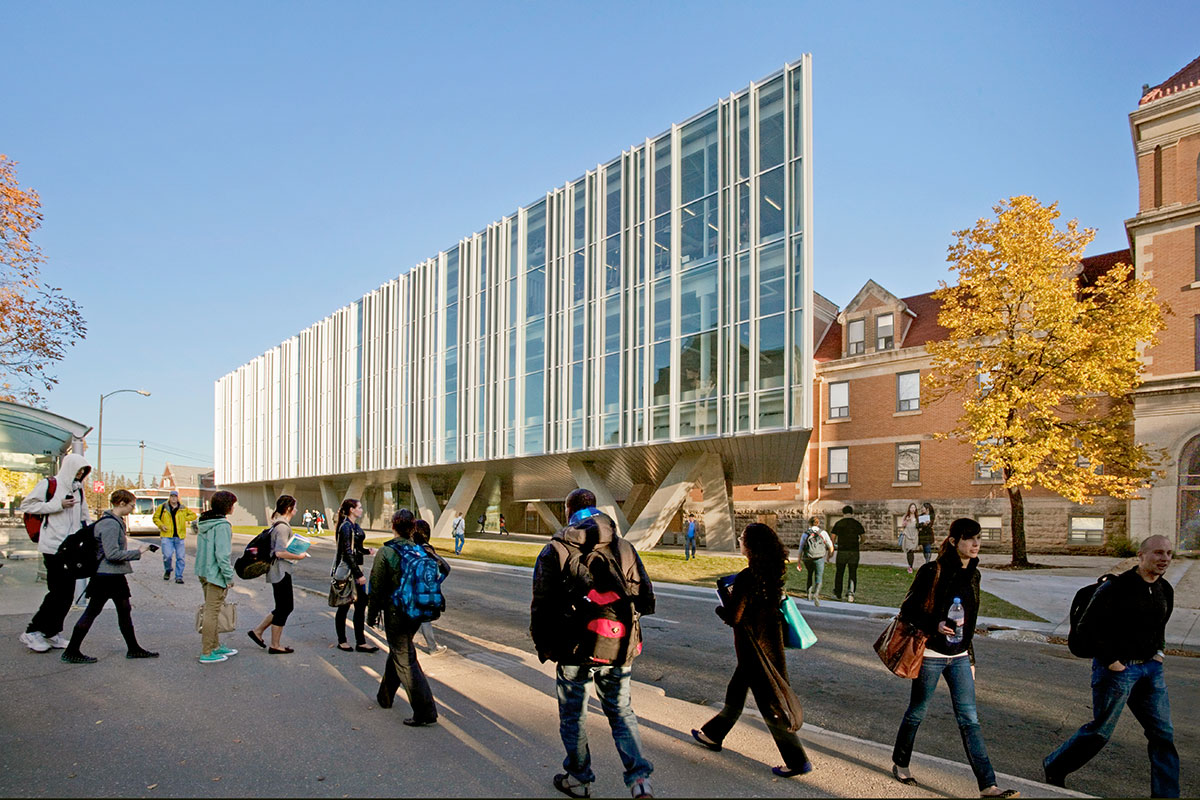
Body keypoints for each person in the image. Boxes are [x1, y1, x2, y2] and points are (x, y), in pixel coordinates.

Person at [531, 488, 656, 799]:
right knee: (621, 710)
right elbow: (647, 599)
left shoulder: (556, 549)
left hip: (573, 647)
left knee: (574, 714)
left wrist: (543, 644)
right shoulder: (624, 546)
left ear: (567, 512)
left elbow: (541, 603)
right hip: (619, 645)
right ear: (597, 511)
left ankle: (579, 777)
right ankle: (640, 781)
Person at [890, 518, 1019, 798]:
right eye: (969, 539)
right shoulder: (931, 571)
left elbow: (969, 624)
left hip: (959, 656)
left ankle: (988, 785)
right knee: (917, 712)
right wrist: (934, 622)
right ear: (953, 541)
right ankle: (900, 762)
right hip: (932, 655)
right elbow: (908, 609)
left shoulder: (974, 575)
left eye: (978, 539)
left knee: (970, 719)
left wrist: (970, 659)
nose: (975, 544)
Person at [1042, 535, 1178, 797]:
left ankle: (1166, 795)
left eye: (1169, 554)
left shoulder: (1165, 589)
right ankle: (1056, 765)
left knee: (1163, 734)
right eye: (1158, 553)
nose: (1164, 559)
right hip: (1117, 671)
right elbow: (1087, 628)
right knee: (1100, 731)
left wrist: (1159, 652)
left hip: (1151, 670)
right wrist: (1112, 661)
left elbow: (1160, 625)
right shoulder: (1116, 588)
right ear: (1141, 555)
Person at [690, 523, 810, 779]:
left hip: (752, 647)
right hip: (769, 643)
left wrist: (720, 607)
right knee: (735, 693)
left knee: (770, 706)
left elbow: (735, 616)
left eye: (742, 537)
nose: (740, 540)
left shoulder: (748, 576)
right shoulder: (773, 572)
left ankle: (797, 760)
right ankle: (713, 735)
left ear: (751, 545)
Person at [60, 489, 158, 664]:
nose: (132, 509)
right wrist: (138, 552)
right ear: (121, 504)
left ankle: (133, 648)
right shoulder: (110, 525)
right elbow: (112, 554)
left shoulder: (114, 521)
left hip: (112, 575)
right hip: (107, 576)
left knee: (123, 611)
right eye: (131, 506)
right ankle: (72, 651)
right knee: (94, 612)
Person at [367, 509, 438, 727]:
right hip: (415, 611)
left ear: (393, 527)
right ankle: (385, 696)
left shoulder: (387, 552)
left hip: (395, 611)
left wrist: (371, 615)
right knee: (400, 650)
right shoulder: (419, 550)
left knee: (404, 658)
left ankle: (425, 710)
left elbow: (376, 587)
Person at [19, 452, 92, 653]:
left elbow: (83, 515)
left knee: (67, 594)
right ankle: (32, 631)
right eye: (77, 470)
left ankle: (52, 631)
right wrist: (57, 505)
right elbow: (27, 505)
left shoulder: (79, 490)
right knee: (57, 592)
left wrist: (90, 534)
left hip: (71, 548)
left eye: (83, 472)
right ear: (69, 468)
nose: (79, 474)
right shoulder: (49, 484)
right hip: (52, 547)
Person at [247, 495, 309, 654]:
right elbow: (280, 552)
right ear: (289, 508)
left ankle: (258, 631)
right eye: (294, 507)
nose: (296, 510)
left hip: (278, 571)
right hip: (280, 571)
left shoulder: (278, 524)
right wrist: (299, 556)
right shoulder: (282, 527)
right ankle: (275, 645)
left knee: (282, 606)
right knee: (285, 607)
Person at [195, 490, 239, 664]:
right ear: (227, 506)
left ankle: (215, 645)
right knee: (212, 613)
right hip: (215, 574)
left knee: (212, 610)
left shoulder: (205, 521)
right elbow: (222, 555)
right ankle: (207, 651)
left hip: (204, 571)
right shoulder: (222, 525)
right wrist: (229, 577)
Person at [333, 498, 377, 653]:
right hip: (348, 572)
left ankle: (361, 642)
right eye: (359, 507)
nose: (361, 510)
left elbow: (355, 548)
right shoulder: (345, 527)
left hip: (356, 569)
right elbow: (347, 552)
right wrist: (358, 574)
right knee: (344, 606)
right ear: (351, 509)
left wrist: (366, 551)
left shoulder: (354, 526)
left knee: (360, 605)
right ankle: (342, 641)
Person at [413, 518, 450, 656]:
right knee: (425, 619)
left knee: (413, 617)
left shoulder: (410, 549)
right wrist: (436, 582)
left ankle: (406, 646)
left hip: (411, 588)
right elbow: (446, 567)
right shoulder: (428, 550)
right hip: (426, 589)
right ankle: (432, 647)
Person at [154, 490, 197, 584]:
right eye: (172, 496)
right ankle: (168, 569)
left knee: (180, 557)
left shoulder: (182, 508)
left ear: (178, 497)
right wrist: (161, 525)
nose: (173, 498)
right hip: (166, 535)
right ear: (169, 497)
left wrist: (185, 519)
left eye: (175, 496)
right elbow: (155, 518)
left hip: (179, 536)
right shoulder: (163, 507)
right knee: (167, 556)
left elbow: (193, 515)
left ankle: (179, 576)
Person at [797, 517, 833, 607]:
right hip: (819, 557)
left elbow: (800, 548)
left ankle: (808, 594)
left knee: (810, 574)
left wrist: (799, 561)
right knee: (819, 576)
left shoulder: (805, 534)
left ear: (809, 523)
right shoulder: (823, 533)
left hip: (808, 557)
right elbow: (830, 546)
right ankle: (816, 595)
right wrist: (829, 556)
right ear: (818, 523)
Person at [831, 505, 863, 602]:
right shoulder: (857, 524)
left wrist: (832, 549)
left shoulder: (839, 523)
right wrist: (859, 543)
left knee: (839, 572)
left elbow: (832, 538)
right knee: (852, 572)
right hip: (854, 551)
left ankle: (838, 593)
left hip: (842, 551)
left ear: (843, 513)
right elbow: (864, 537)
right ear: (852, 513)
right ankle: (851, 594)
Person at [899, 502, 920, 573]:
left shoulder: (917, 517)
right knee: (909, 551)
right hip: (907, 535)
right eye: (911, 507)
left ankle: (911, 565)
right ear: (909, 508)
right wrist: (906, 521)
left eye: (914, 507)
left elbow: (919, 527)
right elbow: (902, 525)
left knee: (912, 551)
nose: (913, 509)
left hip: (914, 536)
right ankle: (910, 566)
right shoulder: (906, 516)